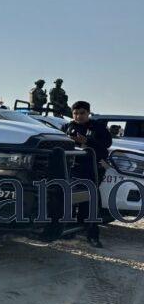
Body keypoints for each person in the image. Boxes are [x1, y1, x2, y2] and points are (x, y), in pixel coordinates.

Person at [61, 100, 112, 248]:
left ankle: (92, 235)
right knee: (69, 199)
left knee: (90, 202)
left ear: (88, 113)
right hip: (73, 168)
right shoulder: (67, 127)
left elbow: (106, 145)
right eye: (75, 113)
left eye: (82, 113)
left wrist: (88, 141)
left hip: (93, 168)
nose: (78, 116)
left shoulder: (98, 127)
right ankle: (69, 230)